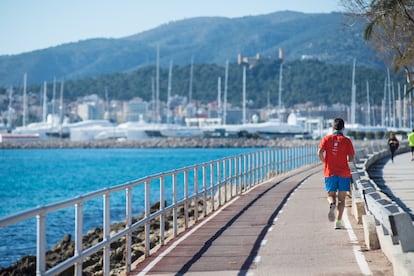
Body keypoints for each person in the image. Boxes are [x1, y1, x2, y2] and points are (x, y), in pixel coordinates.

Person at [317, 118, 355, 229]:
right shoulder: (347, 141)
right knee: (342, 199)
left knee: (330, 195)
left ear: (333, 127)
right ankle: (338, 222)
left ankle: (331, 203)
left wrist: (325, 161)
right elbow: (351, 158)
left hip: (330, 172)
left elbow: (319, 152)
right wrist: (344, 160)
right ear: (343, 128)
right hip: (344, 173)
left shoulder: (326, 139)